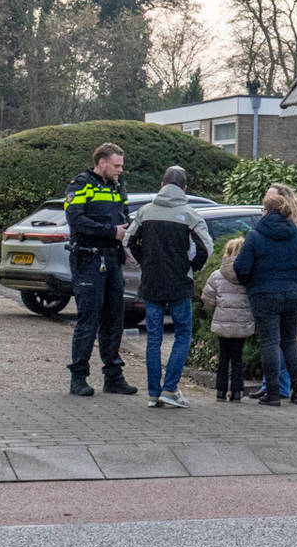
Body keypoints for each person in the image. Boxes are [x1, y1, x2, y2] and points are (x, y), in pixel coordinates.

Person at [126, 165, 212, 408]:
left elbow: (128, 241)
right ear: (184, 188)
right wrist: (192, 267)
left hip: (151, 282)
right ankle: (170, 389)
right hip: (179, 283)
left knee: (153, 338)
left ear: (162, 185)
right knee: (182, 335)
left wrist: (145, 261)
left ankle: (154, 393)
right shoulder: (190, 214)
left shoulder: (145, 212)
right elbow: (206, 246)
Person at [233, 182, 297, 406]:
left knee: (270, 342)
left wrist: (253, 283)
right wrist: (293, 280)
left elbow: (241, 268)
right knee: (291, 341)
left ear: (266, 211)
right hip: (292, 294)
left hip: (263, 294)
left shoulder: (254, 236)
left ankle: (272, 393)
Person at [64, 142, 135, 397]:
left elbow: (122, 216)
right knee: (88, 319)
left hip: (112, 259)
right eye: (116, 165)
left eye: (121, 166)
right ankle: (78, 377)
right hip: (89, 259)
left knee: (114, 319)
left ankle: (113, 376)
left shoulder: (116, 186)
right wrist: (110, 232)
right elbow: (76, 219)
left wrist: (127, 228)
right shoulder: (81, 184)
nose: (120, 170)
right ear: (102, 162)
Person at [199, 236, 254, 402]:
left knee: (223, 356)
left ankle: (220, 390)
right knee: (237, 357)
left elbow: (207, 297)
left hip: (222, 321)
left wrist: (214, 308)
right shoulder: (249, 274)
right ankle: (237, 391)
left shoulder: (217, 275)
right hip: (242, 322)